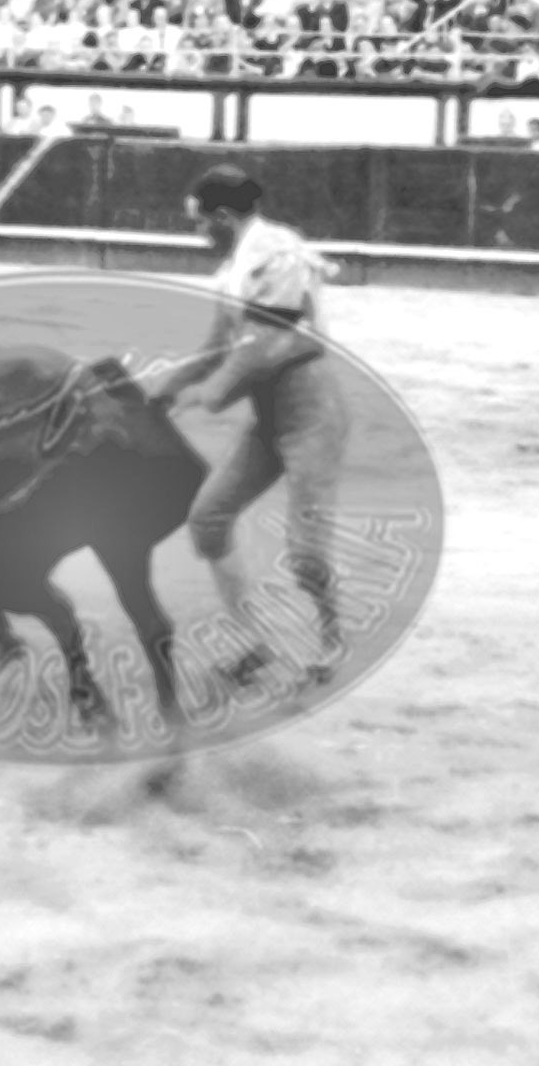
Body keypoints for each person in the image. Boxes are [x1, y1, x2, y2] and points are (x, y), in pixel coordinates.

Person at [146, 165, 349, 689]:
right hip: (271, 419)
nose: (199, 234)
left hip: (313, 417)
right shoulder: (235, 266)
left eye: (200, 223)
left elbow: (267, 345)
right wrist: (164, 388)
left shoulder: (278, 253)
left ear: (222, 217)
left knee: (306, 551)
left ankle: (331, 639)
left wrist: (210, 394)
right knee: (208, 519)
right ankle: (256, 642)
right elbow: (217, 347)